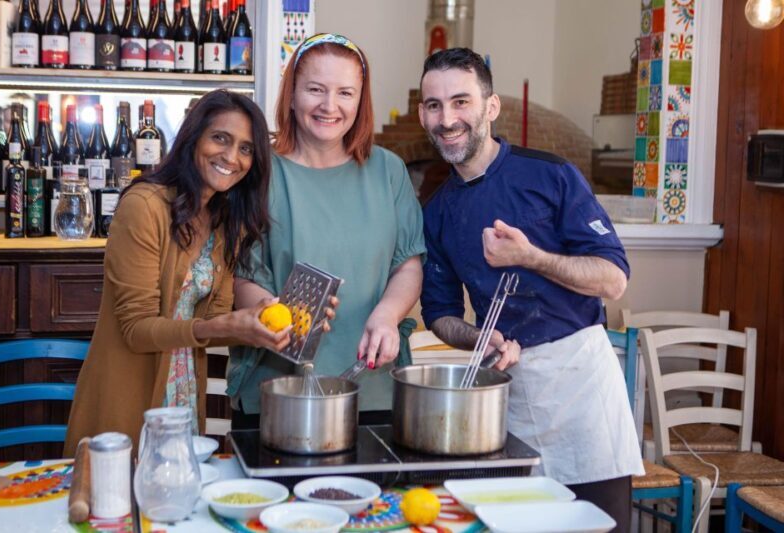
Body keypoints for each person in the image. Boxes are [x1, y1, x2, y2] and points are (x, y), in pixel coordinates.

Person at [417, 48, 643, 531]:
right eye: (434, 105)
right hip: (509, 394)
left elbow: (613, 278)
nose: (447, 118)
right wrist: (480, 338)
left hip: (582, 388)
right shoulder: (436, 211)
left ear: (491, 107)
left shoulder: (552, 175)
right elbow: (439, 312)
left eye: (461, 102)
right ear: (422, 114)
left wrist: (530, 256)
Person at [64, 90, 290, 456]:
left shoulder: (223, 221)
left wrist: (260, 324)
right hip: (128, 399)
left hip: (183, 400)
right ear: (193, 137)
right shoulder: (144, 207)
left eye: (246, 148)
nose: (232, 157)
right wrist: (225, 327)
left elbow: (214, 319)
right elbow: (137, 330)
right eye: (220, 138)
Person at [228, 33, 426, 426]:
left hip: (372, 385)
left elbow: (408, 264)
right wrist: (278, 315)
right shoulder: (259, 172)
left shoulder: (388, 171)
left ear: (360, 100)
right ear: (291, 93)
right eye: (315, 90)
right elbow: (239, 276)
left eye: (345, 93)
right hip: (277, 391)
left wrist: (387, 315)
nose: (329, 106)